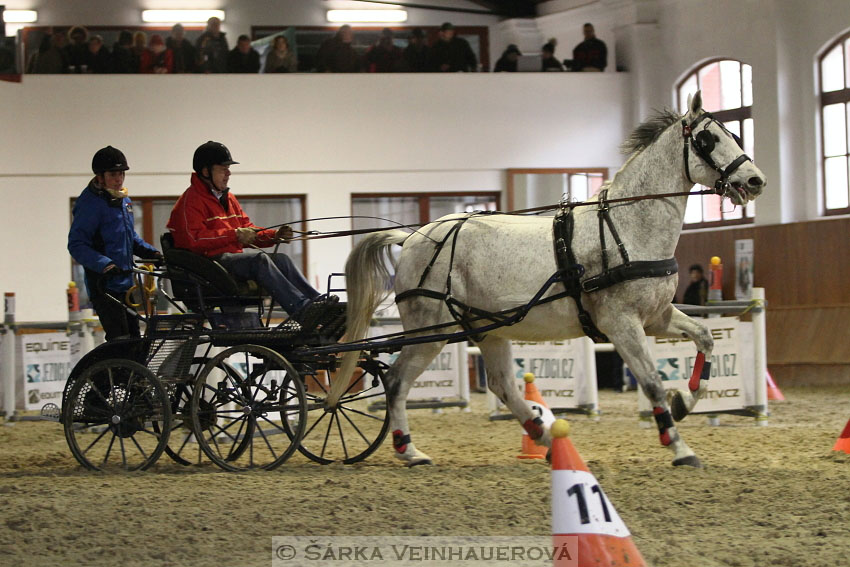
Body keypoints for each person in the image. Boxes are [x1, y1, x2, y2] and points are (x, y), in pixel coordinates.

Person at [166, 142, 335, 327]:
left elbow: (247, 228)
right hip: (209, 265)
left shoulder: (228, 198)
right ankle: (302, 310)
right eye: (223, 169)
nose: (228, 173)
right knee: (259, 260)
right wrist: (235, 235)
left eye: (228, 169)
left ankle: (317, 302)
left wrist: (274, 235)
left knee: (282, 260)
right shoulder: (190, 201)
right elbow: (194, 240)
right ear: (205, 171)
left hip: (231, 261)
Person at [68, 147, 162, 341]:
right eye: (113, 174)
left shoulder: (122, 200)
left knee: (135, 338)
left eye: (121, 174)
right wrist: (104, 264)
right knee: (120, 339)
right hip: (104, 285)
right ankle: (110, 371)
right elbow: (76, 244)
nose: (119, 179)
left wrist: (152, 253)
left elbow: (129, 237)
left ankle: (129, 371)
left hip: (126, 283)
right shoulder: (89, 204)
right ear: (100, 177)